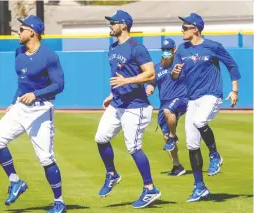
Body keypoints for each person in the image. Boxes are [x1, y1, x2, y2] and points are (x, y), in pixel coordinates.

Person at [0, 15, 66, 213]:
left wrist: (36, 94)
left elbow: (59, 85)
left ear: (32, 32)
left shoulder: (49, 55)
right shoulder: (19, 52)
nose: (18, 32)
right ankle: (15, 181)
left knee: (46, 158)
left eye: (21, 29)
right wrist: (14, 102)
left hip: (41, 109)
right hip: (20, 107)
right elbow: (22, 82)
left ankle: (59, 202)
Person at [94, 10, 161, 209]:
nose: (110, 25)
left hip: (136, 106)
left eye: (113, 22)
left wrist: (127, 81)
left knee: (133, 147)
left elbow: (150, 74)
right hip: (118, 103)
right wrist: (112, 94)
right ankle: (112, 174)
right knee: (101, 138)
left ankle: (150, 189)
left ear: (124, 25)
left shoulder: (136, 48)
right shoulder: (113, 47)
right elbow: (117, 76)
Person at [171, 13, 240, 202]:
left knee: (200, 121)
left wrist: (234, 91)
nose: (181, 31)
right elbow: (175, 76)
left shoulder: (213, 46)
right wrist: (175, 73)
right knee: (191, 145)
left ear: (195, 29)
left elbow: (232, 66)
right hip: (192, 99)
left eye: (185, 27)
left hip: (211, 95)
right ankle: (199, 186)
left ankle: (215, 155)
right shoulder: (182, 50)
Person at [146, 38, 187, 176]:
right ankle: (177, 166)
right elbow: (152, 83)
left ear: (174, 50)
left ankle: (173, 136)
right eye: (163, 50)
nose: (166, 52)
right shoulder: (157, 68)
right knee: (165, 134)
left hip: (181, 98)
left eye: (168, 49)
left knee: (168, 111)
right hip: (165, 102)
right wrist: (149, 88)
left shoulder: (180, 64)